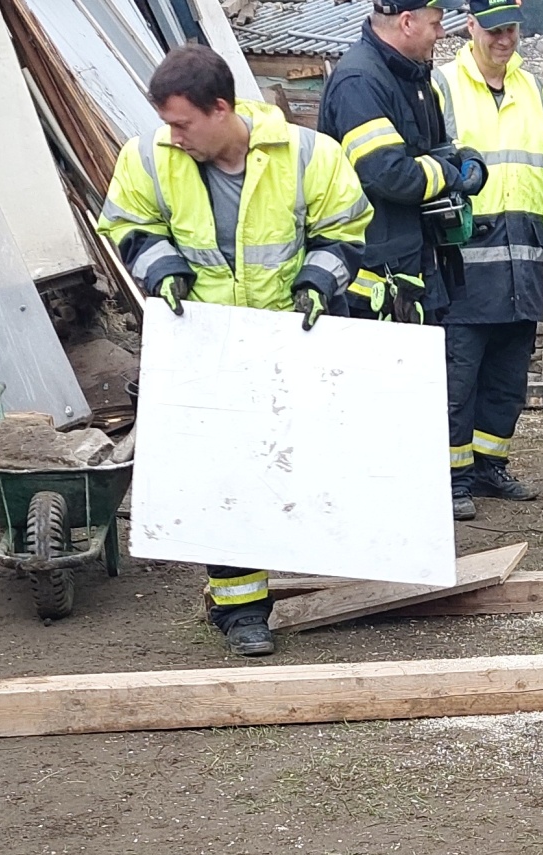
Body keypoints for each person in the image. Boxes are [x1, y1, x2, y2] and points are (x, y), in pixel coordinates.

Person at [103, 44, 373, 658]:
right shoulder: (149, 156)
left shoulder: (310, 155)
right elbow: (126, 222)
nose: (173, 135)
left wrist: (319, 280)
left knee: (298, 470)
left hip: (290, 342)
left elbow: (346, 228)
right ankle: (241, 611)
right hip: (206, 347)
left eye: (182, 123)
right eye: (168, 123)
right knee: (222, 479)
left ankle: (331, 569)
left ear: (221, 108)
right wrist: (161, 267)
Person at [436, 0, 543, 519]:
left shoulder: (533, 91)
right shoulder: (443, 86)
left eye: (511, 29)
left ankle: (488, 467)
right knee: (457, 381)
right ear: (471, 26)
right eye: (494, 29)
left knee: (507, 380)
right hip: (463, 269)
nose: (504, 40)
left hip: (522, 265)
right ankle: (452, 478)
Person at [319, 0, 467, 324]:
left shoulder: (413, 75)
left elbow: (430, 147)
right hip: (373, 290)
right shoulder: (359, 82)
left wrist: (460, 156)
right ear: (407, 23)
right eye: (435, 23)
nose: (442, 33)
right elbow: (387, 173)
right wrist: (450, 172)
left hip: (414, 273)